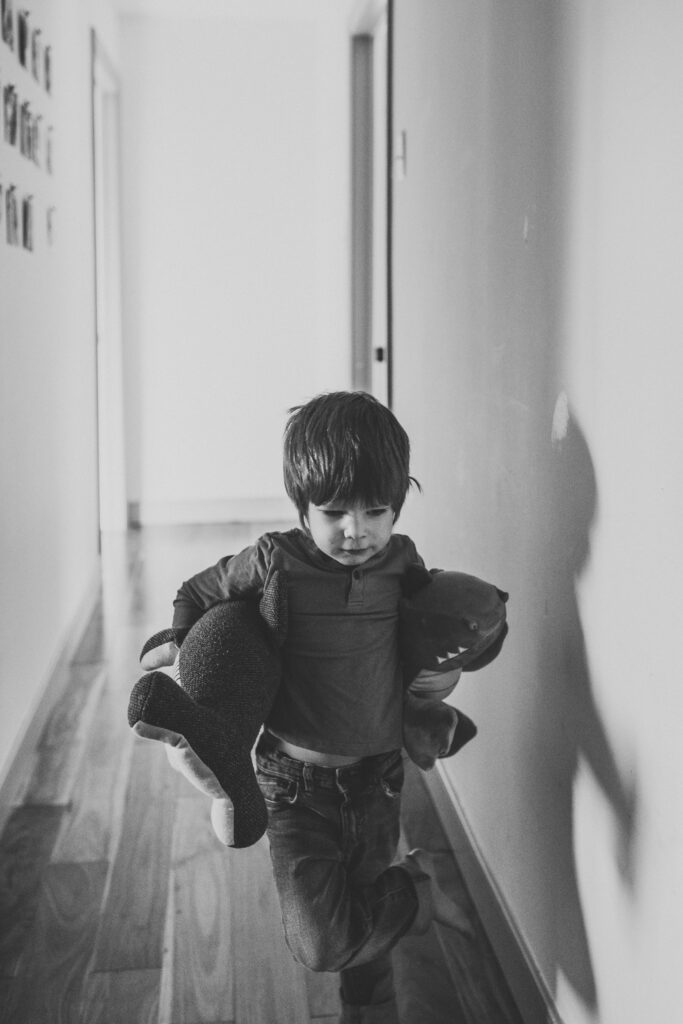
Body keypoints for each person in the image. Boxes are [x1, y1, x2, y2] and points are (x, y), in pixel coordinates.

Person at [166, 391, 470, 1024]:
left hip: (378, 778)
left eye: (376, 511)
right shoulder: (278, 559)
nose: (356, 530)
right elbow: (198, 589)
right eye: (333, 512)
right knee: (321, 940)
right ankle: (416, 896)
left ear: (398, 506)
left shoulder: (401, 561)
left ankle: (371, 1011)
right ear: (301, 509)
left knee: (363, 930)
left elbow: (434, 621)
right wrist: (179, 642)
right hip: (292, 784)